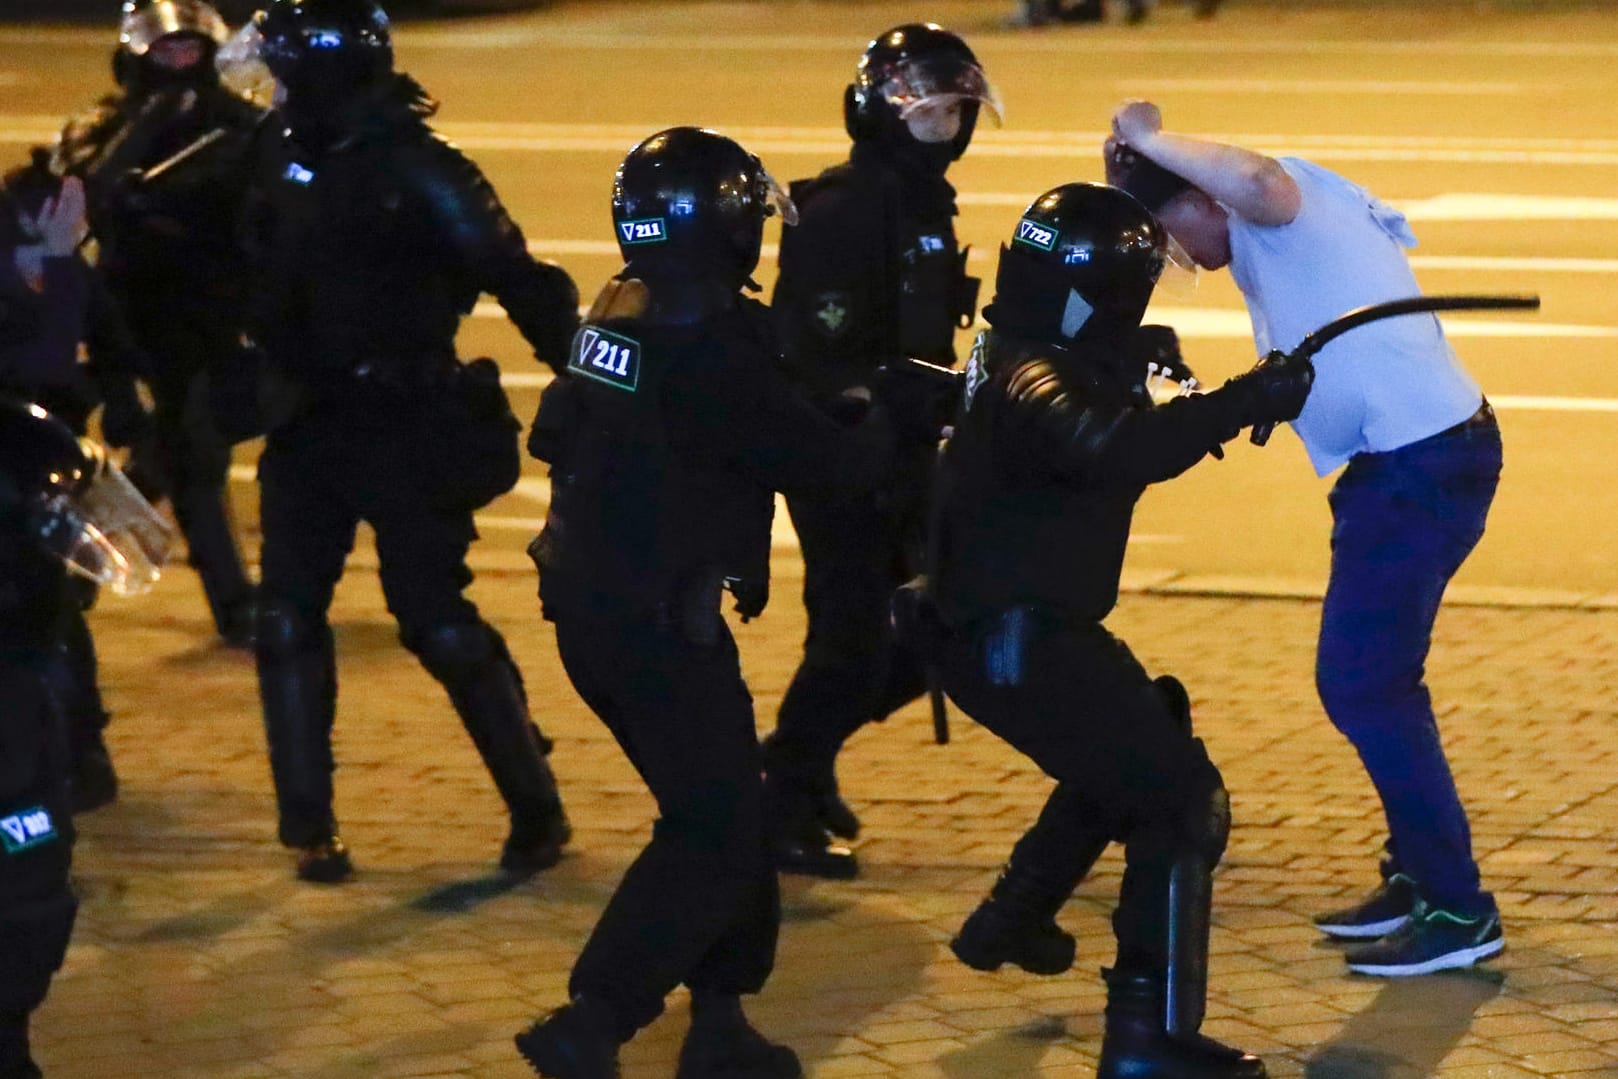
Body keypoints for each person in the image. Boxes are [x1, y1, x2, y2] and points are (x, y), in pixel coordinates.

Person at [515, 127, 902, 1079]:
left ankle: (721, 1021)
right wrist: (886, 421)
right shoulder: (722, 341)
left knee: (729, 806)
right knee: (714, 826)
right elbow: (830, 472)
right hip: (656, 622)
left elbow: (552, 429)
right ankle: (595, 1017)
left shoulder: (620, 312)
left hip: (588, 604)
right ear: (729, 227)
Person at [1105, 100, 1505, 977]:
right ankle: (1417, 875)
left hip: (1421, 467)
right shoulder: (1264, 233)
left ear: (1200, 195)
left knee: (1364, 685)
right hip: (1400, 469)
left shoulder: (1272, 206)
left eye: (1167, 229)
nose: (1176, 257)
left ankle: (1457, 907)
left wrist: (1147, 141)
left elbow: (1251, 176)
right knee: (1379, 683)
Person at [923, 182, 1313, 1079]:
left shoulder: (1019, 345)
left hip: (1000, 630)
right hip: (1021, 639)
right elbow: (1111, 448)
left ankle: (1014, 914)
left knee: (1140, 734)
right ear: (1095, 294)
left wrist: (1145, 360)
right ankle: (1147, 1037)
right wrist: (1245, 399)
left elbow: (1087, 399)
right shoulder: (1036, 376)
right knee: (1180, 800)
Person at [235, 0, 580, 884]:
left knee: (435, 621)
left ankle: (535, 804)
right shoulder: (270, 156)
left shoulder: (422, 170)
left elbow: (522, 279)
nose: (267, 81)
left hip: (406, 423)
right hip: (304, 422)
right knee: (283, 619)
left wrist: (590, 392)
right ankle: (308, 822)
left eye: (280, 65)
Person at [763, 22, 1001, 879]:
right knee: (852, 641)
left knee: (934, 629)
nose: (944, 129)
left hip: (906, 454)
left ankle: (797, 757)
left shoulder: (924, 204)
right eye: (928, 114)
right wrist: (872, 401)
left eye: (954, 115)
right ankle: (780, 797)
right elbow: (812, 351)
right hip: (845, 462)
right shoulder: (844, 208)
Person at [55, 0, 267, 649]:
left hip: (217, 310)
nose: (181, 63)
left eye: (191, 50)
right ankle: (232, 605)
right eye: (167, 50)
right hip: (132, 312)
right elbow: (78, 200)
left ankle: (69, 563)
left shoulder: (239, 124)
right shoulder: (104, 124)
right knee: (192, 451)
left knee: (173, 451)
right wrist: (146, 128)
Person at [0, 398, 170, 1079]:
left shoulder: (26, 438)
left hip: (16, 698)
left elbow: (119, 543)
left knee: (28, 863)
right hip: (18, 700)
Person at [0, 151, 149, 815]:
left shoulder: (59, 274)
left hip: (30, 474)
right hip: (20, 468)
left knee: (50, 613)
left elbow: (72, 355)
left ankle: (77, 753)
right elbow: (46, 356)